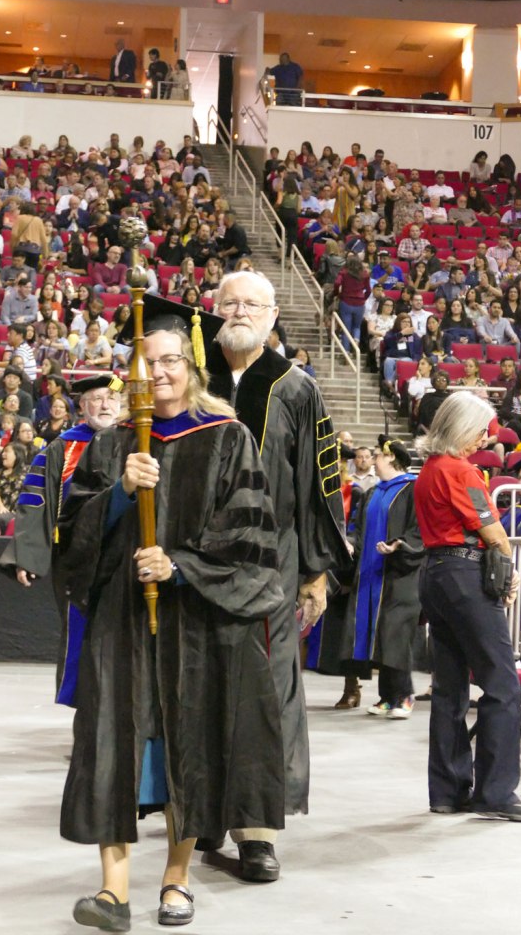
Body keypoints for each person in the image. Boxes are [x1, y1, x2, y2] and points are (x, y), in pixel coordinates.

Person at [55, 304, 285, 929]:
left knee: (190, 743)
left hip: (195, 622)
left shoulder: (227, 437)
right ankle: (112, 891)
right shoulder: (112, 446)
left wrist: (179, 565)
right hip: (121, 623)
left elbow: (251, 538)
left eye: (169, 361)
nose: (157, 373)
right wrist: (119, 495)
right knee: (108, 743)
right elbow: (71, 537)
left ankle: (177, 880)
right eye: (145, 362)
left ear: (192, 367)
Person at [205, 275, 349, 881]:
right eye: (228, 303)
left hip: (275, 561)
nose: (239, 312)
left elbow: (322, 484)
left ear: (271, 315)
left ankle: (258, 830)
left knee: (268, 693)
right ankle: (201, 811)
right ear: (212, 312)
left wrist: (316, 574)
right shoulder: (193, 377)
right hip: (199, 558)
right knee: (199, 683)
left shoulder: (296, 388)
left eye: (251, 304)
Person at [414, 391, 521, 821]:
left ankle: (447, 790)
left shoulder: (429, 470)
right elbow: (492, 531)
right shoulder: (461, 471)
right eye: (482, 428)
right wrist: (509, 571)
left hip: (435, 575)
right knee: (501, 683)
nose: (487, 435)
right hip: (465, 577)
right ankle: (497, 792)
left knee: (449, 688)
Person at [0, 375, 124, 705]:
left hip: (125, 556)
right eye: (96, 399)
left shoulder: (137, 441)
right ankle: (86, 718)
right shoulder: (62, 447)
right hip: (74, 558)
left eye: (111, 398)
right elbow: (34, 500)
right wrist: (26, 555)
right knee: (80, 635)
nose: (105, 404)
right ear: (82, 406)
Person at [340, 437, 424, 718]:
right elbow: (359, 529)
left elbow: (418, 529)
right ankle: (387, 697)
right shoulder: (374, 492)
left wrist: (398, 545)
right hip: (372, 574)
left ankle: (405, 695)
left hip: (400, 574)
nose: (373, 458)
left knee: (395, 633)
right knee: (378, 634)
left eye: (377, 455)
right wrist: (352, 543)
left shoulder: (412, 489)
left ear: (391, 459)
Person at [0, 441, 27, 534]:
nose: (3, 454)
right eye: (3, 452)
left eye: (7, 451)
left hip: (23, 513)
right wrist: (0, 507)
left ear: (17, 455)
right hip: (6, 512)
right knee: (2, 518)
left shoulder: (28, 472)